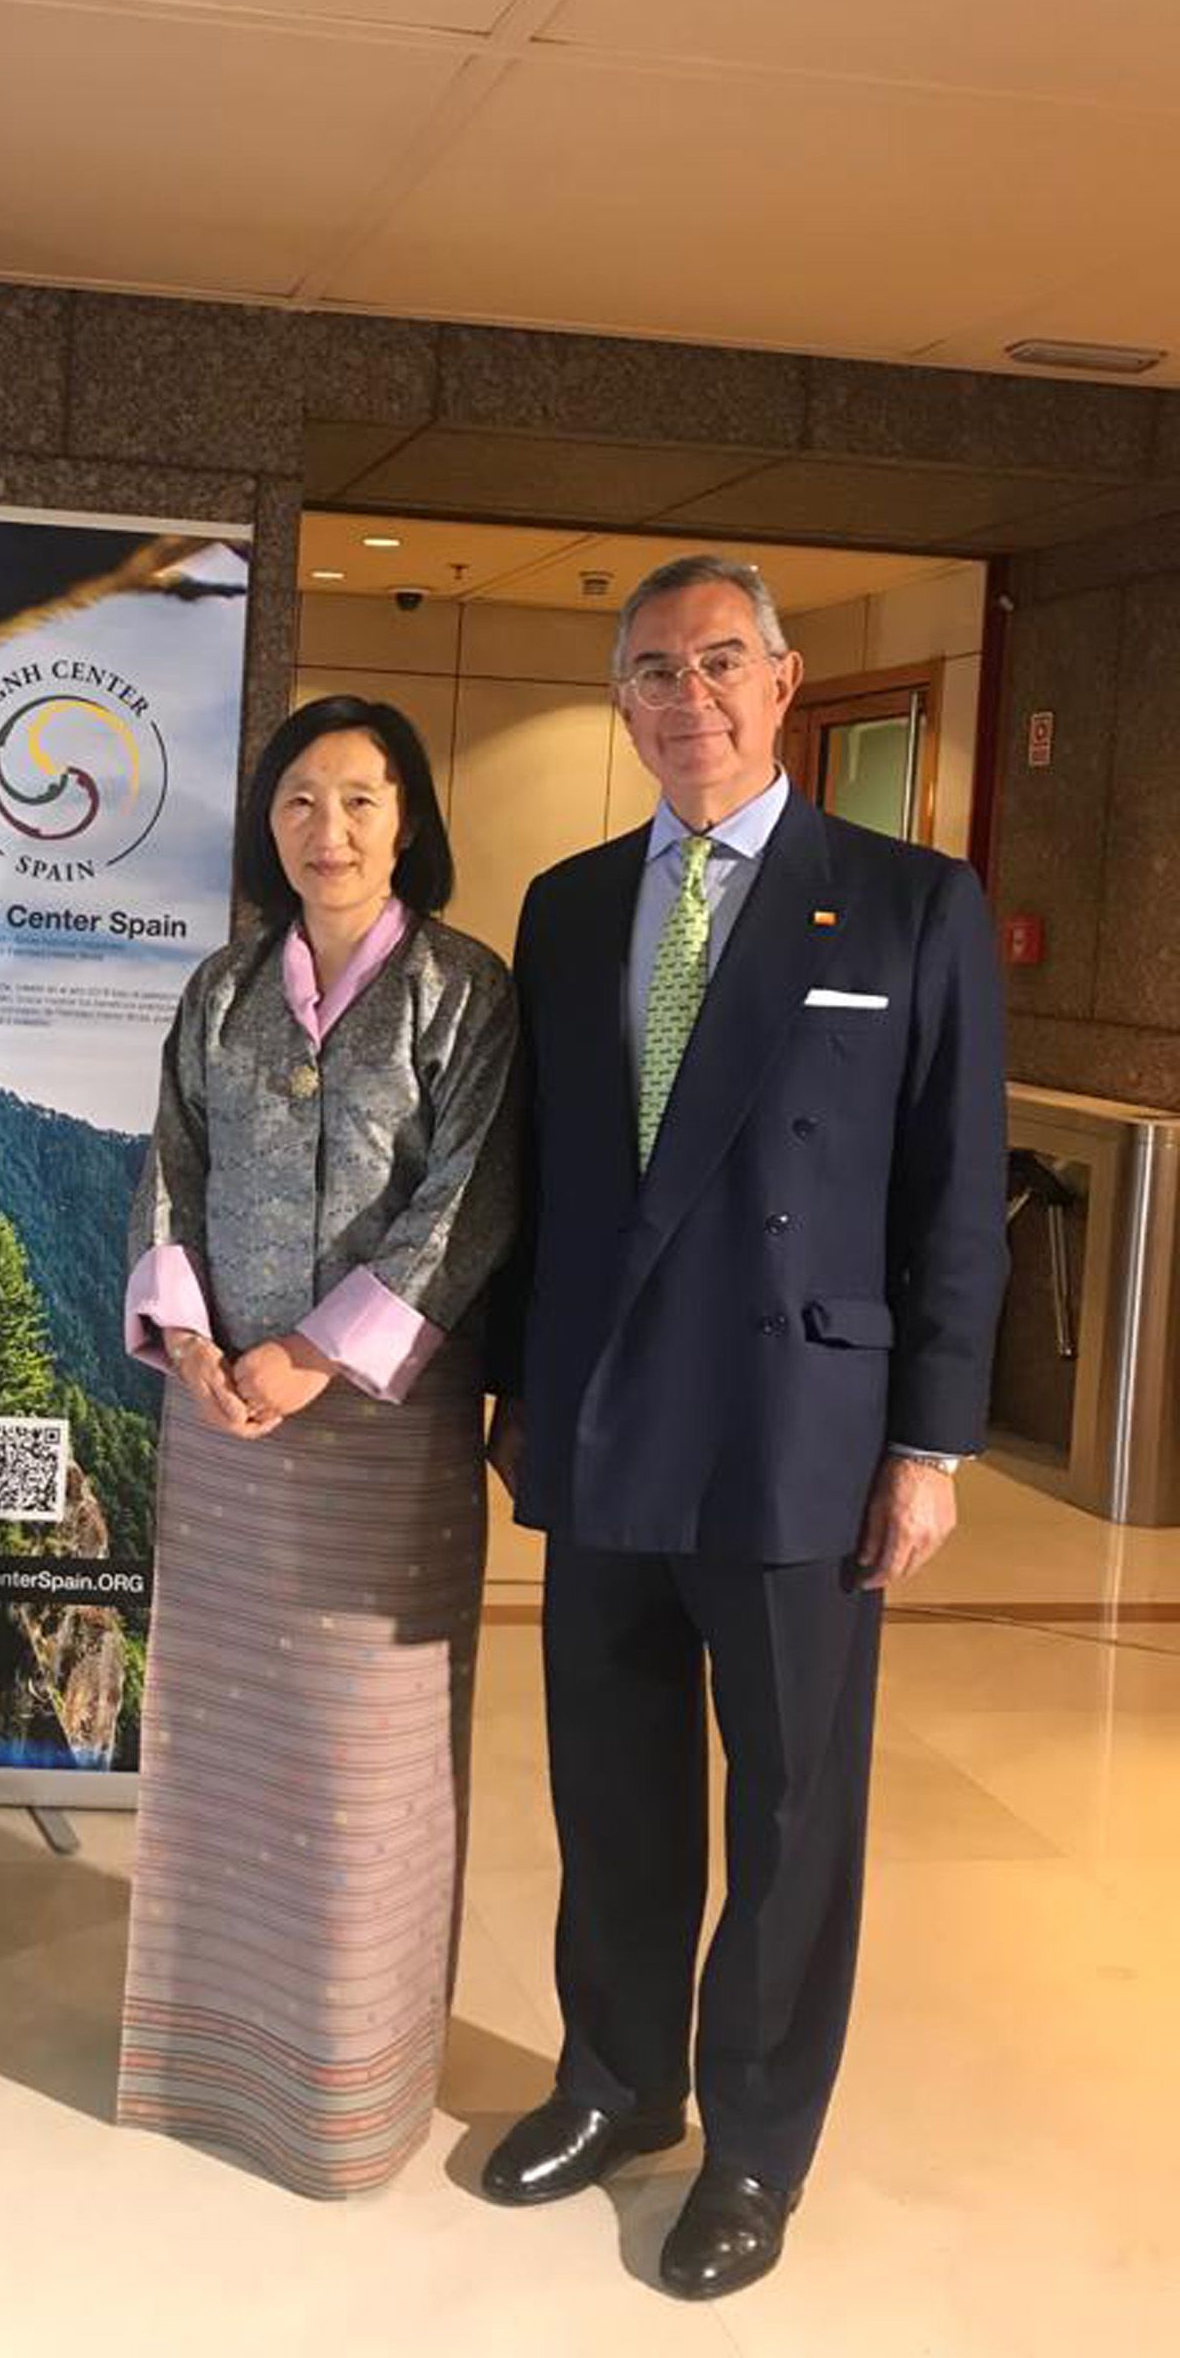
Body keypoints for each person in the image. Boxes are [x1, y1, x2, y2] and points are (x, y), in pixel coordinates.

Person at [482, 554, 1007, 2297]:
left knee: (791, 1812)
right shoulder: (568, 906)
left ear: (782, 683)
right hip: (606, 1411)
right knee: (612, 1782)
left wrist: (929, 1445)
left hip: (803, 1428)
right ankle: (618, 2084)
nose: (686, 696)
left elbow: (953, 1195)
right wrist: (513, 1386)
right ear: (622, 702)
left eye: (719, 662)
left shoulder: (910, 903)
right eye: (653, 670)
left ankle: (758, 2145)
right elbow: (542, 1180)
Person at [117, 694, 516, 2198]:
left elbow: (471, 1201)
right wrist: (195, 1342)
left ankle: (346, 2096)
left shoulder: (465, 992)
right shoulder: (223, 986)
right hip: (221, 1415)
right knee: (223, 1744)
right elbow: (171, 1164)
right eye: (299, 801)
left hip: (384, 1430)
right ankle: (203, 2062)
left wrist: (315, 1353)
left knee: (365, 1761)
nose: (327, 830)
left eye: (360, 799)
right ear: (265, 823)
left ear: (409, 819)